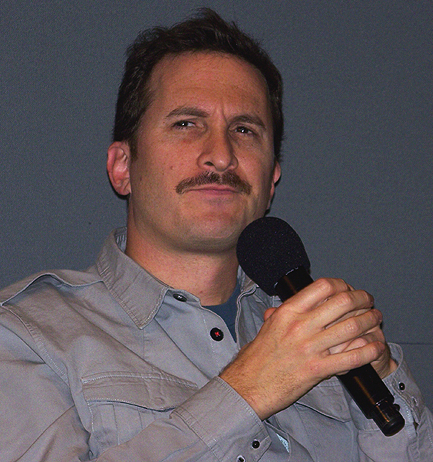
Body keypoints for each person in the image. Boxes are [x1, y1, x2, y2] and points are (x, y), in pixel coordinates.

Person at [0, 9, 431, 462]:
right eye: (187, 124)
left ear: (271, 179)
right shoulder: (27, 335)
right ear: (123, 167)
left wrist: (383, 379)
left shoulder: (320, 337)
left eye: (244, 130)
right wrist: (246, 392)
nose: (221, 156)